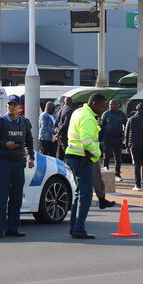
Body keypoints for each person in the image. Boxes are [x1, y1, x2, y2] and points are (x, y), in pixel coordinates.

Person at [0, 96, 35, 239]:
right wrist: (4, 144)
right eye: (9, 105)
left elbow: (29, 141)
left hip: (19, 163)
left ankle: (13, 228)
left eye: (14, 105)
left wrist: (31, 157)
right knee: (1, 197)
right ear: (6, 106)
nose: (11, 107)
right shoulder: (0, 122)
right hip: (3, 162)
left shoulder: (24, 122)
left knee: (16, 197)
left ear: (19, 107)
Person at [65, 92, 106, 239]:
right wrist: (97, 154)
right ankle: (79, 229)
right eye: (101, 107)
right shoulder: (88, 117)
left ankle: (74, 227)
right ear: (94, 104)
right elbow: (87, 140)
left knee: (78, 193)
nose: (102, 109)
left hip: (73, 155)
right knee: (86, 195)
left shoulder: (78, 112)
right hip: (83, 157)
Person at [99, 98, 127, 178]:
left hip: (118, 139)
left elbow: (126, 126)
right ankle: (105, 172)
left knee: (118, 158)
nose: (111, 106)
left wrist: (123, 136)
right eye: (110, 105)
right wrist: (103, 137)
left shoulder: (122, 114)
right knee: (106, 157)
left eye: (113, 105)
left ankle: (117, 174)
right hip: (108, 139)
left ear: (117, 105)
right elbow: (101, 126)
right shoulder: (106, 114)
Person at [53, 96, 76, 161]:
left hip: (60, 136)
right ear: (71, 102)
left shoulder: (60, 110)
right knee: (68, 154)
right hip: (65, 135)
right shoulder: (69, 110)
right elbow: (66, 124)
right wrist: (59, 132)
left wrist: (57, 132)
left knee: (60, 154)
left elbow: (56, 123)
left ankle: (59, 168)